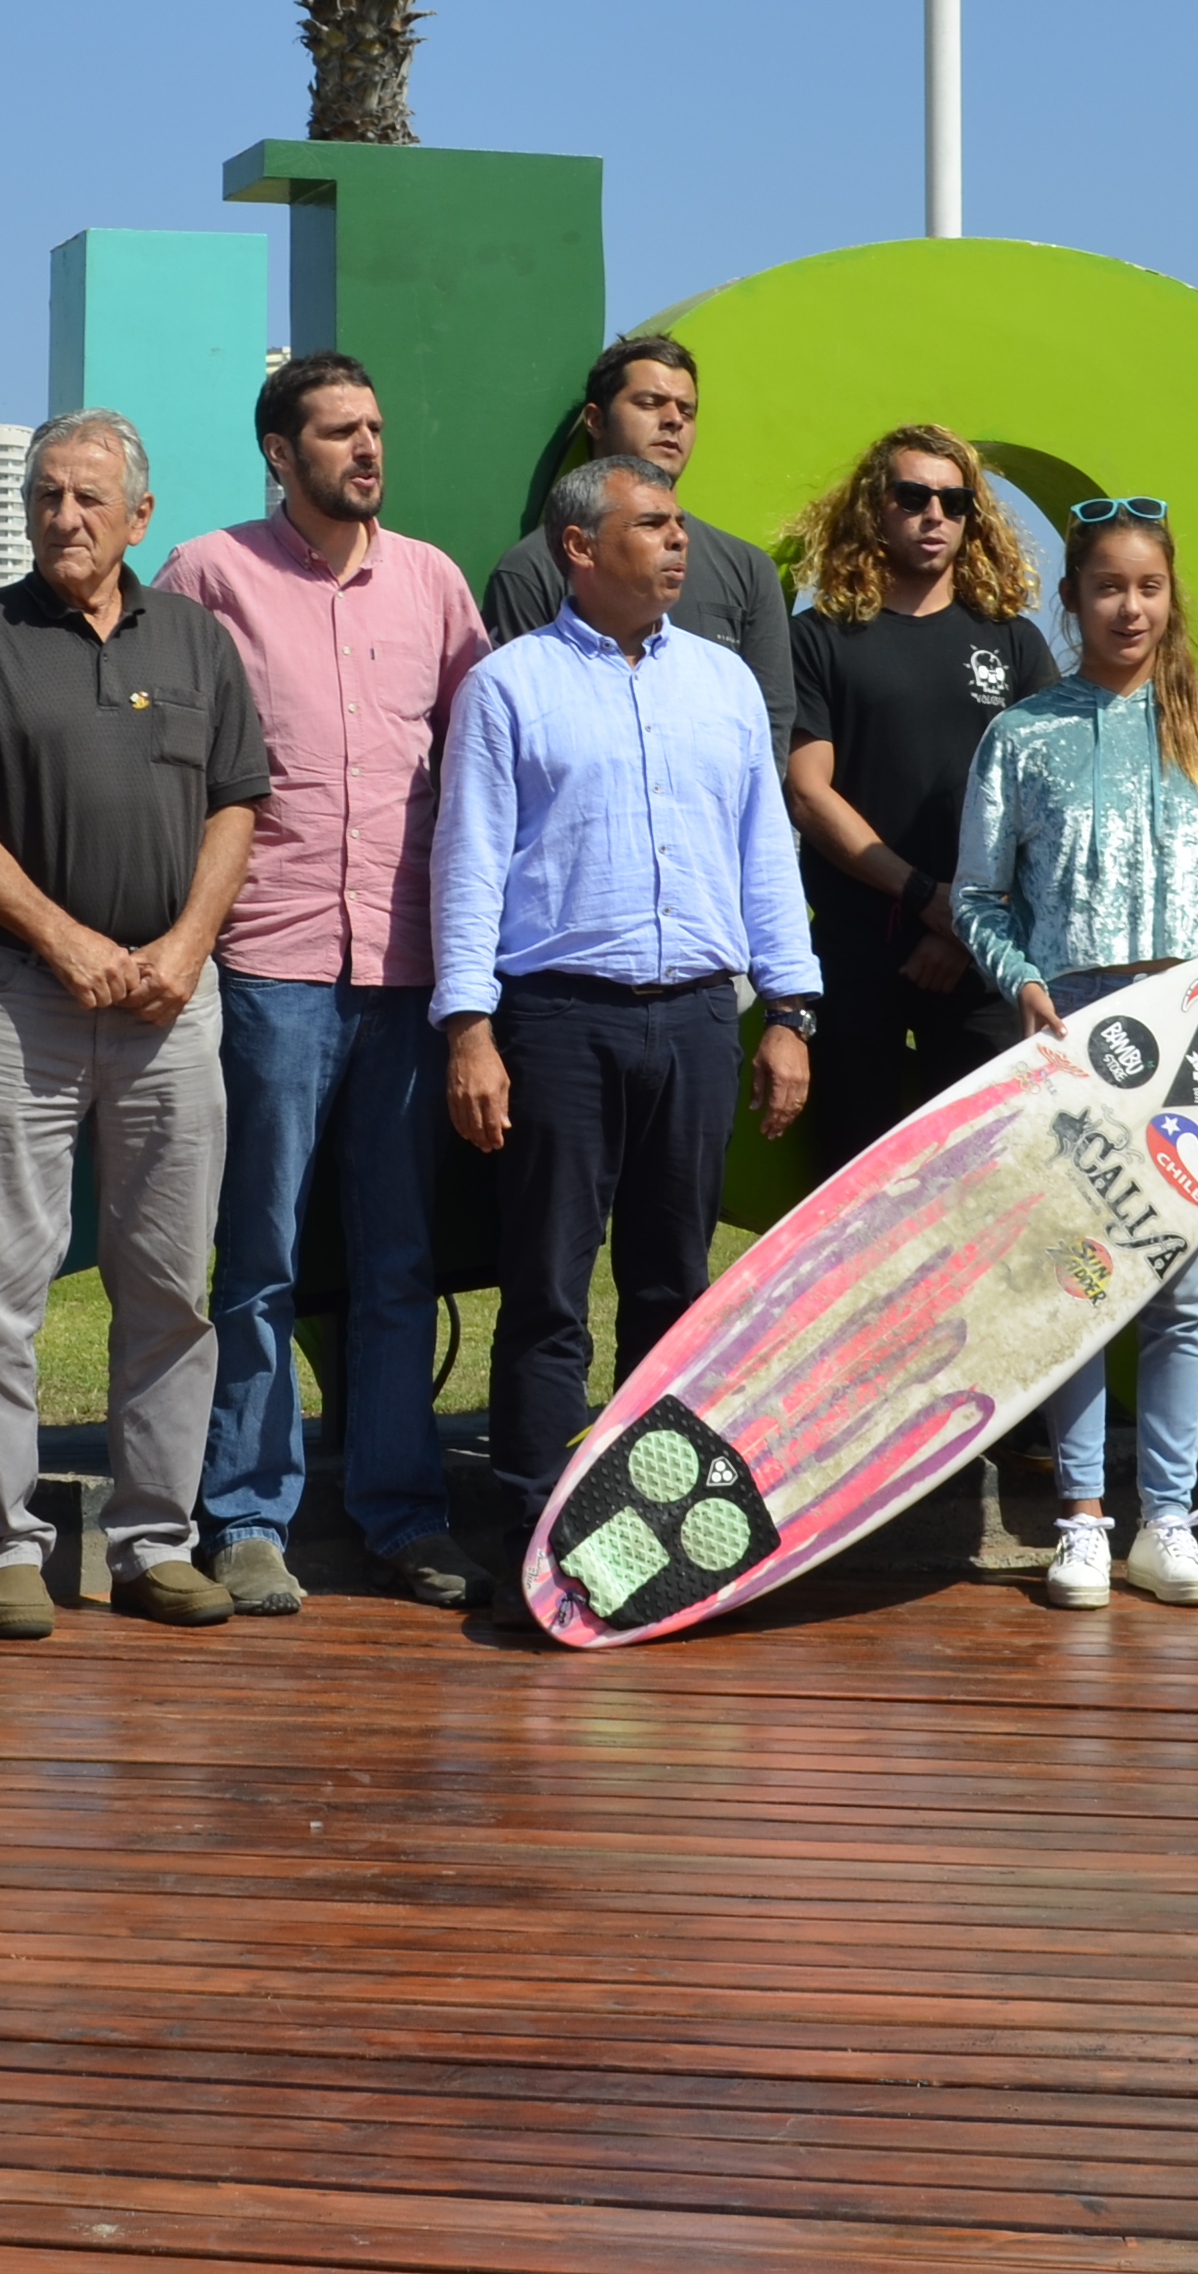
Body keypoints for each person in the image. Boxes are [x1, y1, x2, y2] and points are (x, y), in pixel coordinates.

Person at [0, 411, 270, 1638]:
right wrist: (67, 943)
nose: (65, 517)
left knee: (168, 1290)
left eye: (89, 499)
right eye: (46, 496)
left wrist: (180, 949)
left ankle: (157, 1539)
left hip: (172, 1005)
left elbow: (233, 810)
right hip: (18, 1001)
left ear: (138, 515)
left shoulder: (199, 640)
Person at [435, 454, 821, 1569]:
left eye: (677, 523)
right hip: (555, 1020)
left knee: (672, 1284)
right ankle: (536, 1521)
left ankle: (653, 1531)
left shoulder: (724, 683)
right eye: (649, 525)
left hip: (699, 1021)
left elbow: (764, 855)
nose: (675, 541)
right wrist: (469, 1029)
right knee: (548, 1285)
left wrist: (789, 1011)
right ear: (577, 547)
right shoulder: (507, 687)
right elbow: (466, 866)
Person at [160, 354, 491, 1615]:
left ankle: (402, 1516)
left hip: (407, 975)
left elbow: (477, 756)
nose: (367, 449)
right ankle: (246, 1517)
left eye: (375, 426)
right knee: (257, 1258)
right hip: (268, 968)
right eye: (339, 432)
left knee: (401, 1261)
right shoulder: (207, 575)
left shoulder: (432, 582)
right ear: (278, 454)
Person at [949, 500, 1198, 1610]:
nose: (1127, 607)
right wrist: (1023, 980)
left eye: (1145, 586)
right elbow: (979, 896)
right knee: (1079, 1276)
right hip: (1074, 1035)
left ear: (1168, 594)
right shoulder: (1021, 735)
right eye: (1105, 588)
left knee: (1182, 1291)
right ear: (1071, 599)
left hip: (1195, 1030)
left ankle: (1169, 1520)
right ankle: (1083, 1517)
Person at [784, 426, 1055, 1178]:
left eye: (954, 500)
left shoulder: (1015, 643)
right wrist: (920, 894)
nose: (934, 514)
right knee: (853, 1182)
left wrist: (961, 923)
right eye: (912, 496)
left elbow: (1044, 807)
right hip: (858, 951)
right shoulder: (819, 638)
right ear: (876, 508)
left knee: (986, 1179)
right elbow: (808, 793)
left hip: (982, 959)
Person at [478, 334, 798, 750]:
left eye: (687, 409)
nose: (674, 420)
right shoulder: (535, 567)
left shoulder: (747, 569)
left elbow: (769, 722)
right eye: (649, 403)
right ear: (595, 420)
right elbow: (516, 720)